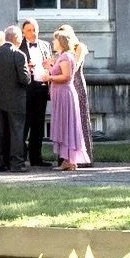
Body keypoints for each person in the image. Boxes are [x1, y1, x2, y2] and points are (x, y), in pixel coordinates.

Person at [0, 25, 29, 172]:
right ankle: (16, 164)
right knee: (16, 132)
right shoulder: (19, 55)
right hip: (16, 100)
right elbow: (24, 79)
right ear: (16, 38)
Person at [46, 26, 90, 170]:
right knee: (64, 124)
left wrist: (49, 76)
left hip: (65, 95)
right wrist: (50, 65)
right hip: (60, 95)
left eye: (55, 39)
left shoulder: (66, 56)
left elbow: (67, 76)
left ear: (61, 41)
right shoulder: (61, 56)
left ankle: (70, 160)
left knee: (67, 124)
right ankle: (67, 160)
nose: (53, 42)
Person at [19, 18, 52, 167]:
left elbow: (51, 64)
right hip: (26, 89)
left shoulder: (46, 45)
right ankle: (20, 157)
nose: (33, 33)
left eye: (35, 30)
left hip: (42, 88)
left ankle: (36, 158)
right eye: (29, 30)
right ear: (23, 32)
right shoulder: (19, 47)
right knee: (24, 124)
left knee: (38, 124)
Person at [62, 24, 94, 165]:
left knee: (80, 119)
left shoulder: (79, 47)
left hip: (77, 83)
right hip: (65, 85)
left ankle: (83, 157)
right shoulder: (63, 52)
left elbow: (74, 65)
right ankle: (67, 157)